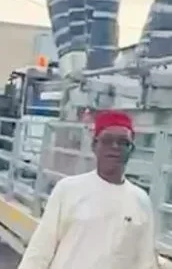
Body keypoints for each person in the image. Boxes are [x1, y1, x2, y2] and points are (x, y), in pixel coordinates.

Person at [18, 110, 158, 269]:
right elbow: (40, 250)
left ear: (131, 149)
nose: (115, 147)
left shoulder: (141, 201)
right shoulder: (68, 189)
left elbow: (145, 262)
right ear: (94, 146)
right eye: (107, 140)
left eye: (123, 142)